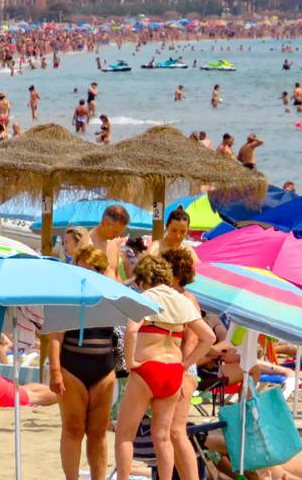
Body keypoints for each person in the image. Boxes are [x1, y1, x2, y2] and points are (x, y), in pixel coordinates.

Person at [114, 255, 213, 480]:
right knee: (163, 437)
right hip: (173, 372)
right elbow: (209, 337)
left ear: (143, 279)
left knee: (125, 436)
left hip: (147, 369)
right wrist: (186, 364)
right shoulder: (182, 300)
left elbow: (130, 332)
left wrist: (129, 362)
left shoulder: (145, 298)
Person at [50, 246, 118, 480]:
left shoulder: (111, 294)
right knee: (73, 428)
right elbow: (56, 336)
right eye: (81, 269)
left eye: (92, 270)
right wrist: (55, 371)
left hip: (104, 369)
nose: (86, 275)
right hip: (72, 367)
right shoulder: (67, 296)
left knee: (98, 432)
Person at [78, 204, 130, 281]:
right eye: (114, 232)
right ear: (104, 222)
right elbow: (82, 278)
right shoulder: (87, 243)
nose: (116, 236)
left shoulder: (115, 242)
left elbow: (115, 274)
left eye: (119, 233)